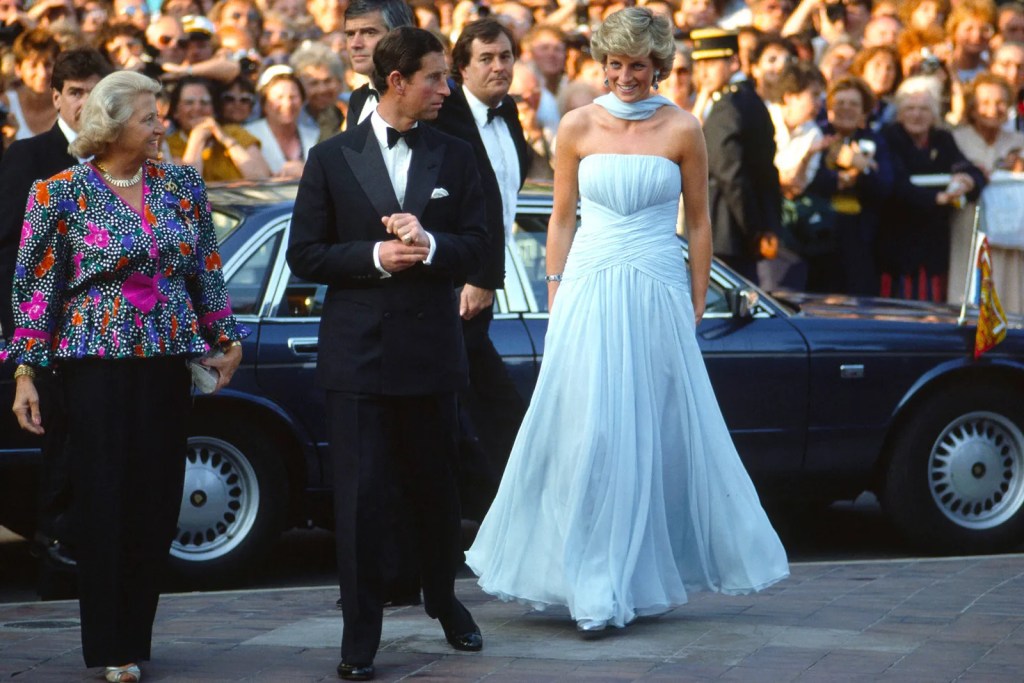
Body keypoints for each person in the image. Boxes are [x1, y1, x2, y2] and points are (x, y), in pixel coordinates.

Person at [465, 7, 788, 635]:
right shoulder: (578, 125)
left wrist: (695, 299)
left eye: (636, 65)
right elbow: (560, 218)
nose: (624, 76)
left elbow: (698, 223)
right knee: (589, 432)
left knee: (650, 431)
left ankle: (630, 577)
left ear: (657, 65)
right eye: (613, 64)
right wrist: (556, 290)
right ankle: (589, 580)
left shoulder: (684, 128)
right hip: (587, 284)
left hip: (658, 286)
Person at [4, 70, 247, 683]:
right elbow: (35, 291)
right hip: (93, 370)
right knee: (105, 500)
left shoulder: (183, 188)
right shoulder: (57, 193)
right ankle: (109, 646)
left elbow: (205, 272)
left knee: (156, 503)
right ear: (112, 127)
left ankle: (135, 636)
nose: (161, 125)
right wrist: (25, 374)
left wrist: (226, 337)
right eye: (149, 117)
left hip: (165, 364)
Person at [286, 26, 489, 682]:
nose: (446, 89)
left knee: (437, 490)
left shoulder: (456, 154)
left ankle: (446, 598)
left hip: (432, 349)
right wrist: (375, 256)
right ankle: (360, 632)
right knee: (361, 499)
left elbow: (483, 246)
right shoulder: (332, 156)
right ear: (397, 81)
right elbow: (305, 254)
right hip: (358, 357)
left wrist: (432, 244)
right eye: (435, 77)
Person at [0, 47, 110, 595]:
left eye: (97, 89)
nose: (87, 101)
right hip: (47, 340)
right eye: (76, 91)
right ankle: (58, 571)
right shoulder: (29, 156)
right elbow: (9, 258)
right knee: (58, 455)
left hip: (112, 341)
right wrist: (23, 344)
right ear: (57, 96)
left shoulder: (128, 161)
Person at [432, 17, 531, 521]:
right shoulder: (444, 116)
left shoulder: (507, 110)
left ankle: (492, 523)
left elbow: (506, 190)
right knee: (489, 414)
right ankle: (504, 521)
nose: (499, 67)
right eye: (487, 59)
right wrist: (479, 275)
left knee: (481, 414)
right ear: (461, 68)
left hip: (485, 285)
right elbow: (471, 207)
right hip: (456, 288)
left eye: (506, 56)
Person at [880, 76, 984, 302]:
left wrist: (967, 180)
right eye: (910, 108)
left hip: (933, 247)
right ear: (900, 112)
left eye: (924, 109)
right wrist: (938, 198)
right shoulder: (889, 138)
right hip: (897, 245)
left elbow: (966, 167)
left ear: (934, 114)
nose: (916, 115)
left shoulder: (942, 139)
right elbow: (896, 183)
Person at [692, 28, 781, 283]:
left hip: (726, 234)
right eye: (700, 64)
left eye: (710, 63)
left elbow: (730, 173)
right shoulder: (745, 100)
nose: (703, 72)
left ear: (733, 62)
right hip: (734, 234)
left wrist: (753, 230)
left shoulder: (728, 105)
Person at [804, 75, 894, 295]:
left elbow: (886, 185)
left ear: (864, 112)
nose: (846, 109)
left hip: (860, 241)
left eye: (854, 104)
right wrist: (840, 178)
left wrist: (860, 169)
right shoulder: (816, 137)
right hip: (816, 239)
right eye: (840, 103)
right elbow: (807, 181)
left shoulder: (876, 141)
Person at [950, 72, 1024, 311]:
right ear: (972, 108)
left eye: (1001, 102)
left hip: (1011, 237)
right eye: (985, 103)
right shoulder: (954, 139)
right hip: (967, 228)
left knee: (1010, 297)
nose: (993, 109)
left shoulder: (1018, 141)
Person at [166, 76, 271, 181]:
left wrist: (225, 139)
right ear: (175, 112)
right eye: (189, 102)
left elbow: (262, 178)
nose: (197, 108)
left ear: (214, 109)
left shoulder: (235, 132)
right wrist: (197, 139)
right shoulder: (169, 144)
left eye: (205, 102)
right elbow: (187, 187)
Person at [343, 0, 415, 129]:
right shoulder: (357, 99)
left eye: (369, 32)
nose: (355, 44)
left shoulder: (427, 97)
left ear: (398, 36)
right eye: (350, 34)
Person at [244, 65, 318, 179]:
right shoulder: (247, 136)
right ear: (264, 103)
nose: (287, 104)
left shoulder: (316, 136)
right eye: (279, 97)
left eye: (293, 97)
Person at [1, 28, 60, 146]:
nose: (42, 74)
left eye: (48, 64)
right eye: (33, 65)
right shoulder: (5, 105)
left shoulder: (70, 106)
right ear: (18, 69)